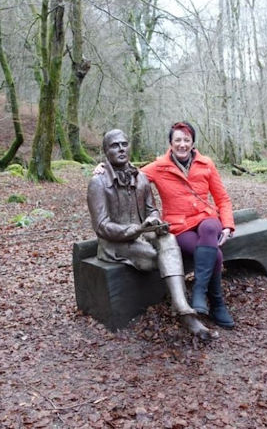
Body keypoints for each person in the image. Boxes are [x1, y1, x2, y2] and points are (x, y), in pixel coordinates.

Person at [87, 129, 214, 340]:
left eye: (124, 144)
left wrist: (154, 220)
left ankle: (182, 307)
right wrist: (134, 230)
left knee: (169, 238)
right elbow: (101, 226)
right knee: (159, 257)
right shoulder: (98, 183)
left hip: (141, 234)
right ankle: (182, 308)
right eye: (114, 145)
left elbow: (151, 209)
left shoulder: (141, 178)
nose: (121, 149)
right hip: (115, 244)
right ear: (105, 151)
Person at [141, 120, 236, 329]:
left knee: (211, 228)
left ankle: (199, 292)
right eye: (178, 140)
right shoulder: (158, 167)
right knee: (216, 255)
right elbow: (131, 175)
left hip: (206, 218)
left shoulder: (206, 163)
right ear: (170, 143)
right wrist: (104, 168)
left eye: (187, 140)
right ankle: (218, 304)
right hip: (179, 225)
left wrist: (227, 225)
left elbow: (223, 199)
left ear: (193, 142)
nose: (182, 144)